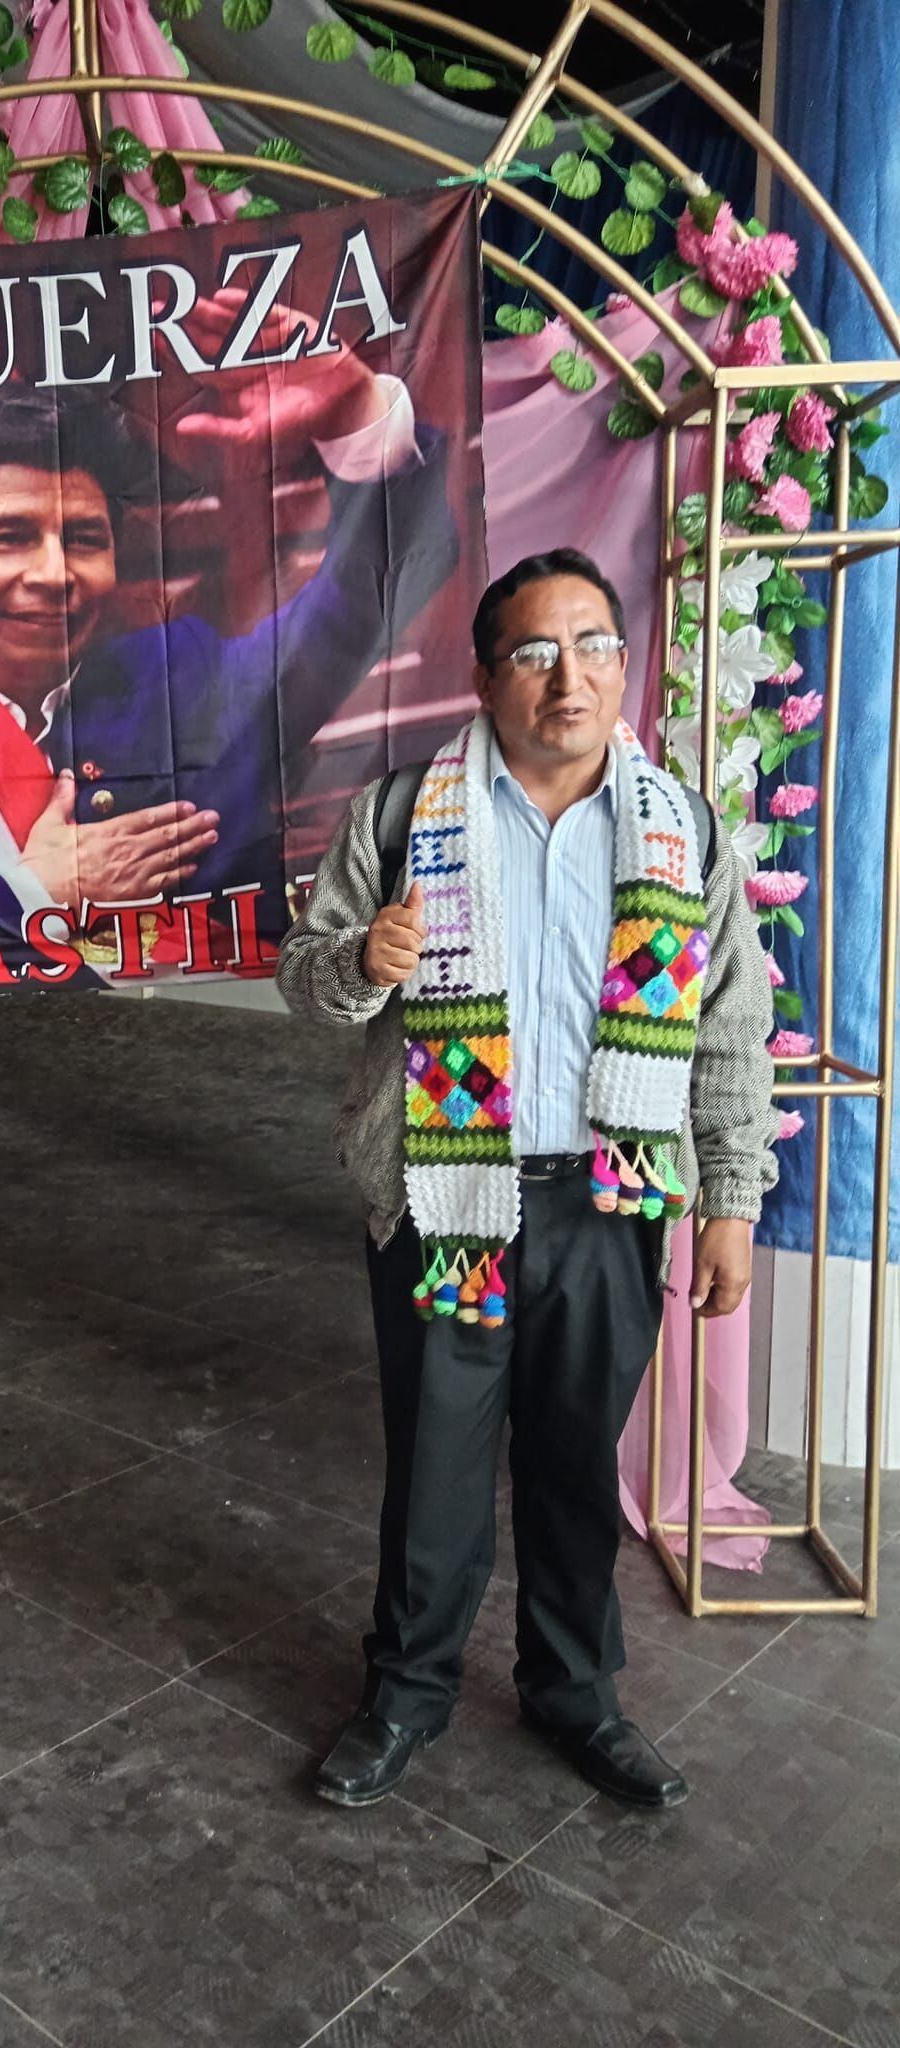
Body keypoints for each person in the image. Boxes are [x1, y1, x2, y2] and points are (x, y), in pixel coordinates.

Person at [276, 549, 778, 1812]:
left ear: (626, 661)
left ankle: (576, 1693)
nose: (573, 678)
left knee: (573, 1459)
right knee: (438, 1460)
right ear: (486, 676)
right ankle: (405, 1693)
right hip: (451, 1195)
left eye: (596, 646)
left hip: (610, 1200)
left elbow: (727, 1027)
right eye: (538, 653)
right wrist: (367, 959)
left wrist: (729, 1197)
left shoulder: (682, 830)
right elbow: (308, 980)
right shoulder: (401, 815)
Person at [0, 289, 455, 980]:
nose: (54, 574)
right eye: (9, 537)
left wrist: (360, 419)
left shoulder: (183, 676)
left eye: (85, 538)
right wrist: (34, 893)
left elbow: (366, 603)